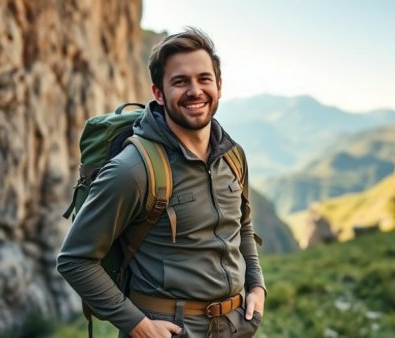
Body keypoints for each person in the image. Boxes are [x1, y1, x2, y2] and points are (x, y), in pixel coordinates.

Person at [57, 27, 266, 338]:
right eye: (180, 82)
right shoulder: (133, 170)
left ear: (219, 86)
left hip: (235, 327)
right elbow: (75, 260)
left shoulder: (233, 157)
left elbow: (243, 227)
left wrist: (256, 284)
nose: (195, 91)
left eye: (204, 79)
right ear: (158, 93)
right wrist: (138, 325)